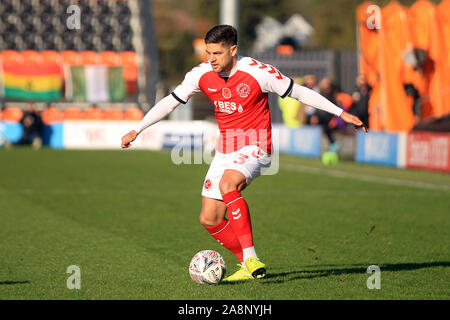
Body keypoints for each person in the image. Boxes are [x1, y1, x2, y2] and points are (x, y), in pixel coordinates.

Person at [121, 25, 367, 282]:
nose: (211, 59)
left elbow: (300, 92)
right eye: (208, 53)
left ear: (233, 49)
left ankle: (250, 257)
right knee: (210, 218)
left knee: (229, 184)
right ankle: (247, 265)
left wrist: (341, 112)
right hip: (226, 149)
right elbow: (170, 101)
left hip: (256, 145)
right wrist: (137, 129)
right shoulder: (201, 73)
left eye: (216, 53)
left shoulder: (259, 73)